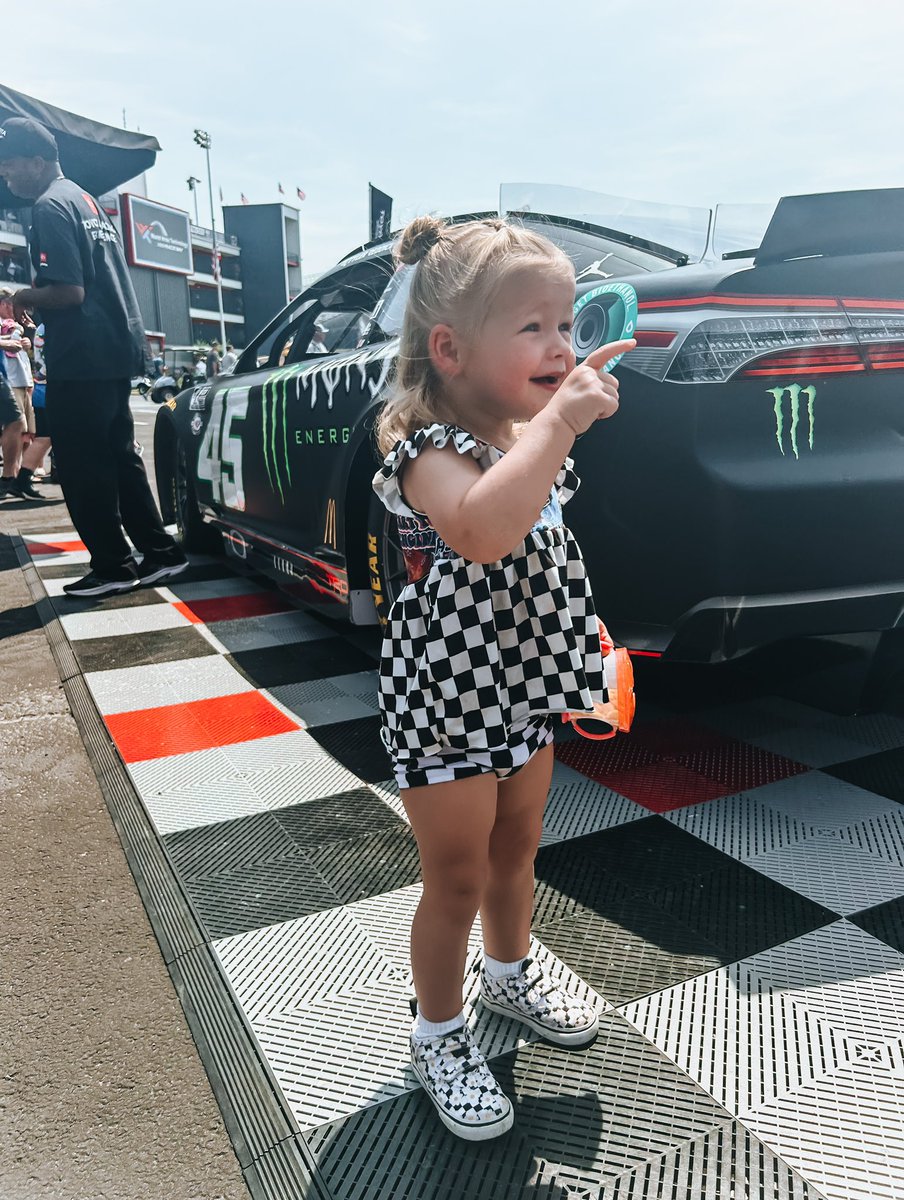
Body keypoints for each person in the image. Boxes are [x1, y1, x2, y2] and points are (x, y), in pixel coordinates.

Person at [371, 215, 635, 1141]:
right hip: (443, 701)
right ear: (447, 348)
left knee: (519, 844)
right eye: (532, 327)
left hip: (521, 686)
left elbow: (540, 551)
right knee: (453, 874)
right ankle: (437, 1032)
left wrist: (585, 634)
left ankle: (509, 971)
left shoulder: (529, 439)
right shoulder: (425, 455)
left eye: (565, 326)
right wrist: (559, 421)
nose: (560, 346)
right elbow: (482, 532)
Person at [0, 117, 188, 597]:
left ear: (36, 162)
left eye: (10, 166)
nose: (7, 176)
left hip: (81, 356)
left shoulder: (48, 207)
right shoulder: (83, 199)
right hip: (113, 348)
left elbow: (70, 292)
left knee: (84, 465)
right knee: (119, 456)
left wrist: (24, 296)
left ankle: (113, 566)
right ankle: (160, 553)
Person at [0, 286, 42, 498]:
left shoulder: (18, 324)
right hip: (9, 379)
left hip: (23, 380)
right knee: (17, 424)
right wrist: (8, 342)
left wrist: (28, 335)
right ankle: (10, 476)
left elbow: (33, 351)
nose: (9, 307)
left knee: (26, 430)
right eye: (6, 303)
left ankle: (15, 475)